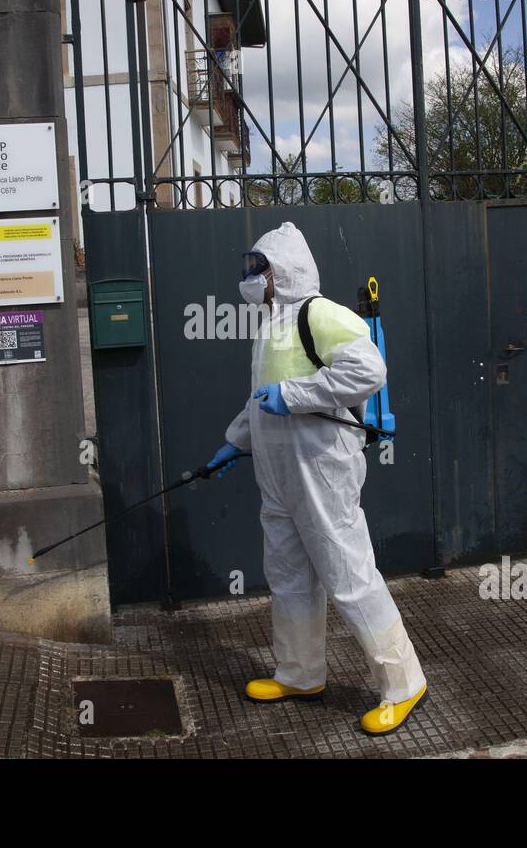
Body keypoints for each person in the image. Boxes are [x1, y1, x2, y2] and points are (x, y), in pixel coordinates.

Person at [206, 221, 427, 735]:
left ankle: (403, 683)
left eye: (258, 269)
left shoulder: (319, 314)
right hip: (278, 474)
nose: (250, 278)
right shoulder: (268, 328)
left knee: (348, 576)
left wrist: (297, 396)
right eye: (249, 268)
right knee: (288, 576)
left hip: (323, 468)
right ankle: (300, 673)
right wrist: (234, 442)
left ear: (282, 272)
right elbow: (262, 399)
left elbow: (368, 370)